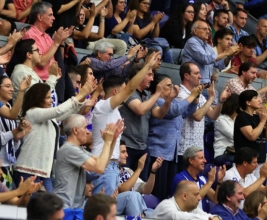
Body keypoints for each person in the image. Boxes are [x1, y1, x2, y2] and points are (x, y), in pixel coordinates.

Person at [90, 53, 161, 195]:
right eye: (124, 91)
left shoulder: (115, 110)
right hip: (104, 163)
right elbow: (130, 88)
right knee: (102, 208)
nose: (128, 94)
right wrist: (147, 65)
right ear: (115, 92)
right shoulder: (103, 106)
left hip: (112, 165)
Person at [14, 79, 94, 193]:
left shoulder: (47, 116)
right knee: (29, 208)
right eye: (48, 97)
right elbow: (58, 110)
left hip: (45, 172)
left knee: (49, 208)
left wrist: (81, 99)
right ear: (38, 98)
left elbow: (66, 114)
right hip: (28, 170)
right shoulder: (33, 113)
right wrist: (79, 96)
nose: (51, 100)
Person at [146, 72, 203, 200]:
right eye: (168, 86)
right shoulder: (157, 101)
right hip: (158, 153)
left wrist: (196, 97)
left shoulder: (168, 103)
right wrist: (191, 95)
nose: (172, 88)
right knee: (156, 193)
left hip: (170, 154)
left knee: (166, 192)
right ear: (158, 87)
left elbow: (187, 111)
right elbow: (174, 110)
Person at [53, 115, 123, 209]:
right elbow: (100, 168)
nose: (88, 132)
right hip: (64, 207)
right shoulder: (69, 149)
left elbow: (103, 163)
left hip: (74, 207)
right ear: (75, 130)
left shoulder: (78, 149)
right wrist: (107, 142)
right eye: (85, 128)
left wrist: (113, 140)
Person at [172, 146, 224, 213]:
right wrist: (210, 182)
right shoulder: (180, 179)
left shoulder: (202, 179)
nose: (205, 161)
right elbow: (193, 199)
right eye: (201, 158)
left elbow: (215, 199)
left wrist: (219, 181)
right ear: (191, 160)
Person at [154, 180, 220, 220]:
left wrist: (216, 218)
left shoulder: (191, 208)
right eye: (196, 194)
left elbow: (209, 216)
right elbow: (181, 218)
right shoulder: (166, 205)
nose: (200, 198)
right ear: (184, 196)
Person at [214, 94, 238, 164]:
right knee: (243, 160)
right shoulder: (221, 119)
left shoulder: (236, 119)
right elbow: (234, 136)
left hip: (235, 152)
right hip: (223, 153)